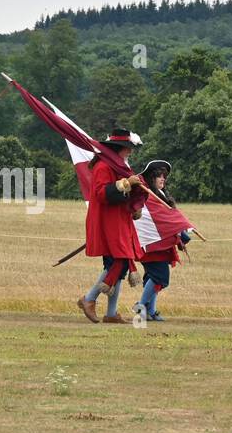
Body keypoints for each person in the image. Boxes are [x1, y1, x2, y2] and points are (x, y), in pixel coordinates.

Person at [78, 129, 147, 324]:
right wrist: (126, 183)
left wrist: (135, 205)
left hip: (119, 219)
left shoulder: (118, 167)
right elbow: (102, 193)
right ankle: (89, 299)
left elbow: (122, 193)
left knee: (119, 265)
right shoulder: (103, 167)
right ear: (119, 149)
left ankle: (110, 313)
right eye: (127, 149)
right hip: (108, 221)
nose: (130, 152)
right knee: (117, 262)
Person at [132, 160, 191, 322]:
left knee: (154, 278)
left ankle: (150, 311)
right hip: (151, 244)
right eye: (159, 176)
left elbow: (171, 219)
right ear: (152, 178)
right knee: (160, 278)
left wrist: (181, 232)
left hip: (162, 245)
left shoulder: (163, 196)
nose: (163, 179)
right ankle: (141, 306)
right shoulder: (147, 197)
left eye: (164, 176)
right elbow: (149, 221)